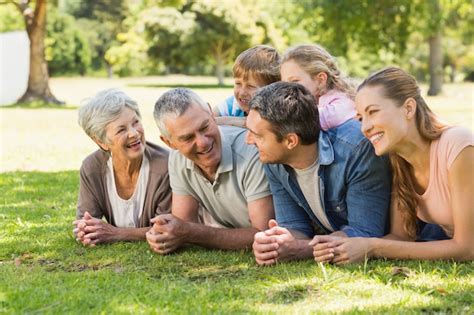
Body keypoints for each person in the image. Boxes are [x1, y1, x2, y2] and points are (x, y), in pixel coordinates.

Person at [310, 67, 474, 263]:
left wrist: (373, 247)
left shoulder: (458, 145)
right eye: (361, 118)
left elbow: (467, 248)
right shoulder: (399, 161)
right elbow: (400, 237)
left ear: (408, 108)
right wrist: (344, 245)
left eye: (373, 112)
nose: (365, 128)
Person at [246, 82, 391, 266]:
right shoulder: (275, 161)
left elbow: (363, 232)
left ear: (291, 141)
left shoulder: (356, 150)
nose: (248, 140)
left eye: (256, 135)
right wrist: (276, 242)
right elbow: (295, 226)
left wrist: (300, 249)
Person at [146, 88, 274, 254]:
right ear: (169, 143)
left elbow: (262, 233)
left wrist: (190, 233)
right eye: (188, 138)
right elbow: (183, 224)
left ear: (211, 113)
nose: (202, 142)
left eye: (205, 127)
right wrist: (166, 234)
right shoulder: (178, 159)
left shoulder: (251, 152)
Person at [74, 89, 172, 246]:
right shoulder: (92, 168)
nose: (134, 133)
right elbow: (86, 220)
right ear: (101, 141)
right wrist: (85, 230)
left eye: (136, 122)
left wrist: (115, 234)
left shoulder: (166, 166)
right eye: (121, 129)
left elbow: (167, 229)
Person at [280, 44, 356, 130]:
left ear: (320, 80)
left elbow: (319, 119)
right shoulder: (314, 101)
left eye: (294, 81)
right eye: (284, 83)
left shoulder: (343, 100)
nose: (287, 88)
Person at [213, 45, 280, 127]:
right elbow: (209, 118)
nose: (242, 92)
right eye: (238, 83)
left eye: (251, 86)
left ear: (272, 89)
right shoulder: (233, 104)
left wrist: (228, 120)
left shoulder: (276, 109)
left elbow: (257, 124)